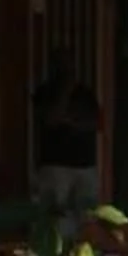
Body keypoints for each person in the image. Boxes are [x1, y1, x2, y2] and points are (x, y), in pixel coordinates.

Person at [31, 65, 102, 211]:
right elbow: (51, 119)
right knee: (54, 216)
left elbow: (97, 123)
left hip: (85, 164)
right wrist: (65, 93)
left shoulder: (85, 93)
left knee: (86, 215)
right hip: (55, 164)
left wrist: (70, 121)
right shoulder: (45, 91)